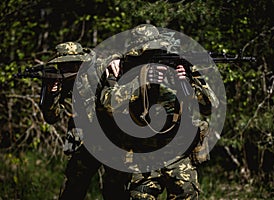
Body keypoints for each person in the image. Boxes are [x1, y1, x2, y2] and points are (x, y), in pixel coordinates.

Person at [94, 24, 219, 199]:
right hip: (141, 153)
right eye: (146, 55)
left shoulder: (180, 69)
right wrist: (140, 80)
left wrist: (188, 82)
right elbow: (108, 105)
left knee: (187, 192)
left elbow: (210, 106)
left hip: (176, 151)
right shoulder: (124, 71)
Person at [39, 41, 131, 200]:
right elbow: (52, 117)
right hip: (83, 141)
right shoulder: (61, 81)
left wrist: (116, 59)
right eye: (65, 65)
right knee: (73, 189)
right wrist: (52, 94)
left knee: (115, 189)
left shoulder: (98, 69)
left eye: (74, 64)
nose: (70, 68)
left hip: (113, 138)